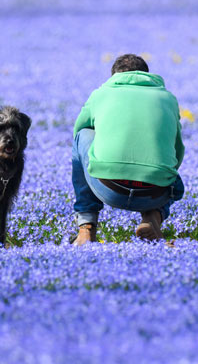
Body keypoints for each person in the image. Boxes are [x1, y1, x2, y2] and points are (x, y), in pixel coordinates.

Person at [71, 54, 185, 244]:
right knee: (172, 176)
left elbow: (78, 131)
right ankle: (153, 217)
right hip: (154, 193)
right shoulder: (168, 98)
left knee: (82, 135)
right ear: (147, 76)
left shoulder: (101, 94)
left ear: (114, 76)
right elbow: (177, 151)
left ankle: (86, 227)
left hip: (109, 189)